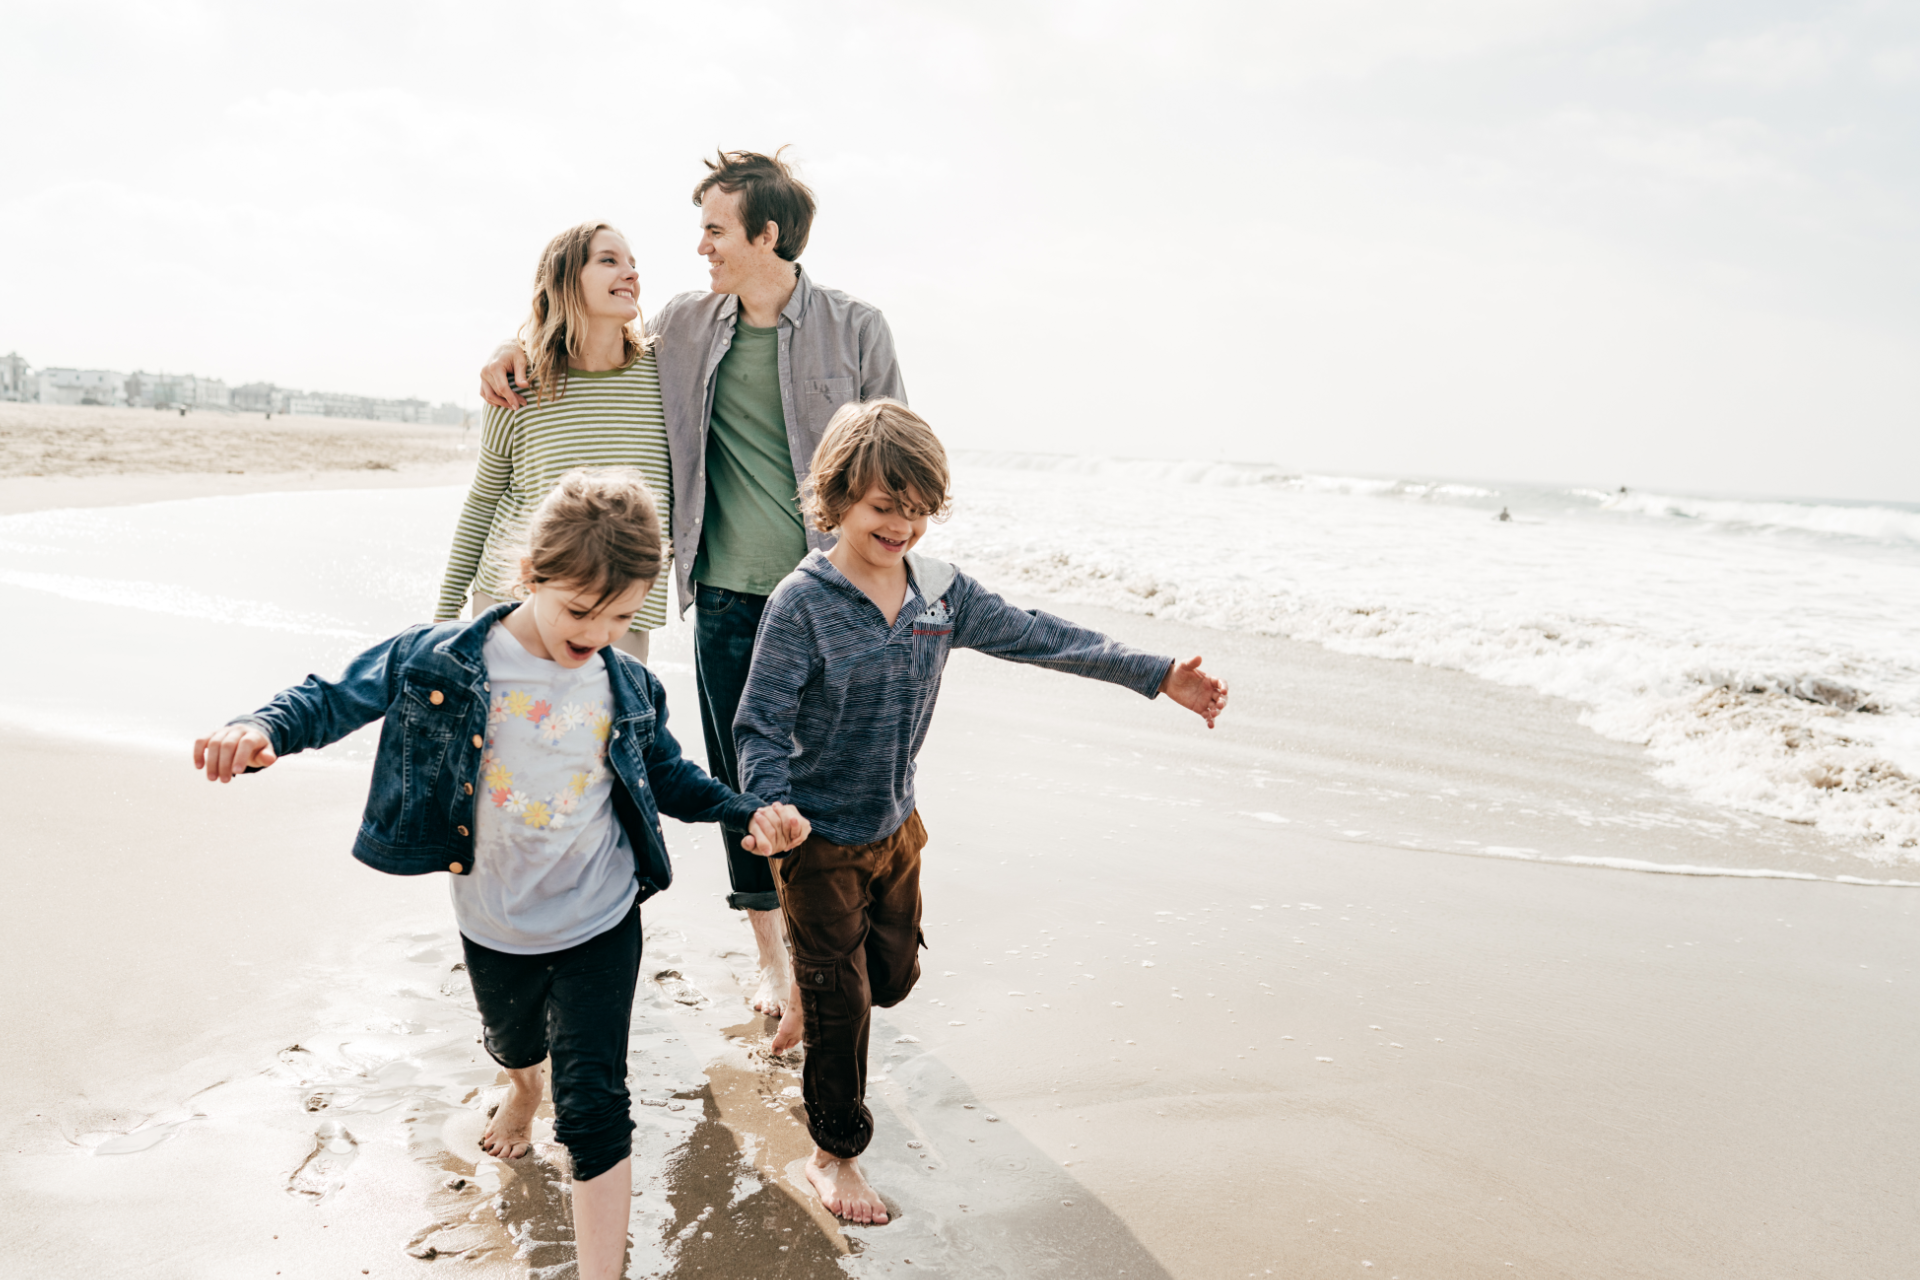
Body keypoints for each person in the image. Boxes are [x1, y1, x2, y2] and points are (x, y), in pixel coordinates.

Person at [192, 470, 810, 1280]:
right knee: (514, 1044)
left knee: (596, 1105)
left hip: (602, 916)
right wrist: (261, 726)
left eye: (622, 616)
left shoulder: (627, 685)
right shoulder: (443, 657)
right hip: (495, 922)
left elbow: (670, 776)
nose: (596, 632)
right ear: (531, 576)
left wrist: (743, 811)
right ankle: (520, 1086)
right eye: (579, 611)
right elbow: (333, 696)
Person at [733, 401, 1230, 1224]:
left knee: (889, 981)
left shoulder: (939, 594)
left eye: (918, 509)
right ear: (838, 499)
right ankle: (833, 1154)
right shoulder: (803, 604)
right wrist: (773, 804)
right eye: (883, 507)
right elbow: (761, 721)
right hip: (817, 841)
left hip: (896, 829)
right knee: (845, 1005)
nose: (902, 526)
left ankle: (810, 996)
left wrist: (1156, 674)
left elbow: (1040, 635)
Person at [480, 150, 906, 1049]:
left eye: (715, 229)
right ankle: (776, 957)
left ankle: (849, 929)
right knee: (741, 774)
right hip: (720, 591)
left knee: (838, 768)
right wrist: (507, 351)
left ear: (767, 234)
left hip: (829, 597)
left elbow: (896, 458)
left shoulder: (857, 328)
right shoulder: (684, 326)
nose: (700, 246)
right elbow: (586, 343)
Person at [441, 222, 673, 663]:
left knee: (603, 732)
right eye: (609, 260)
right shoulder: (518, 381)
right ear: (565, 278)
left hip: (620, 613)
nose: (630, 274)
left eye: (633, 264)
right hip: (513, 603)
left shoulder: (665, 375)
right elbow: (484, 498)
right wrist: (444, 615)